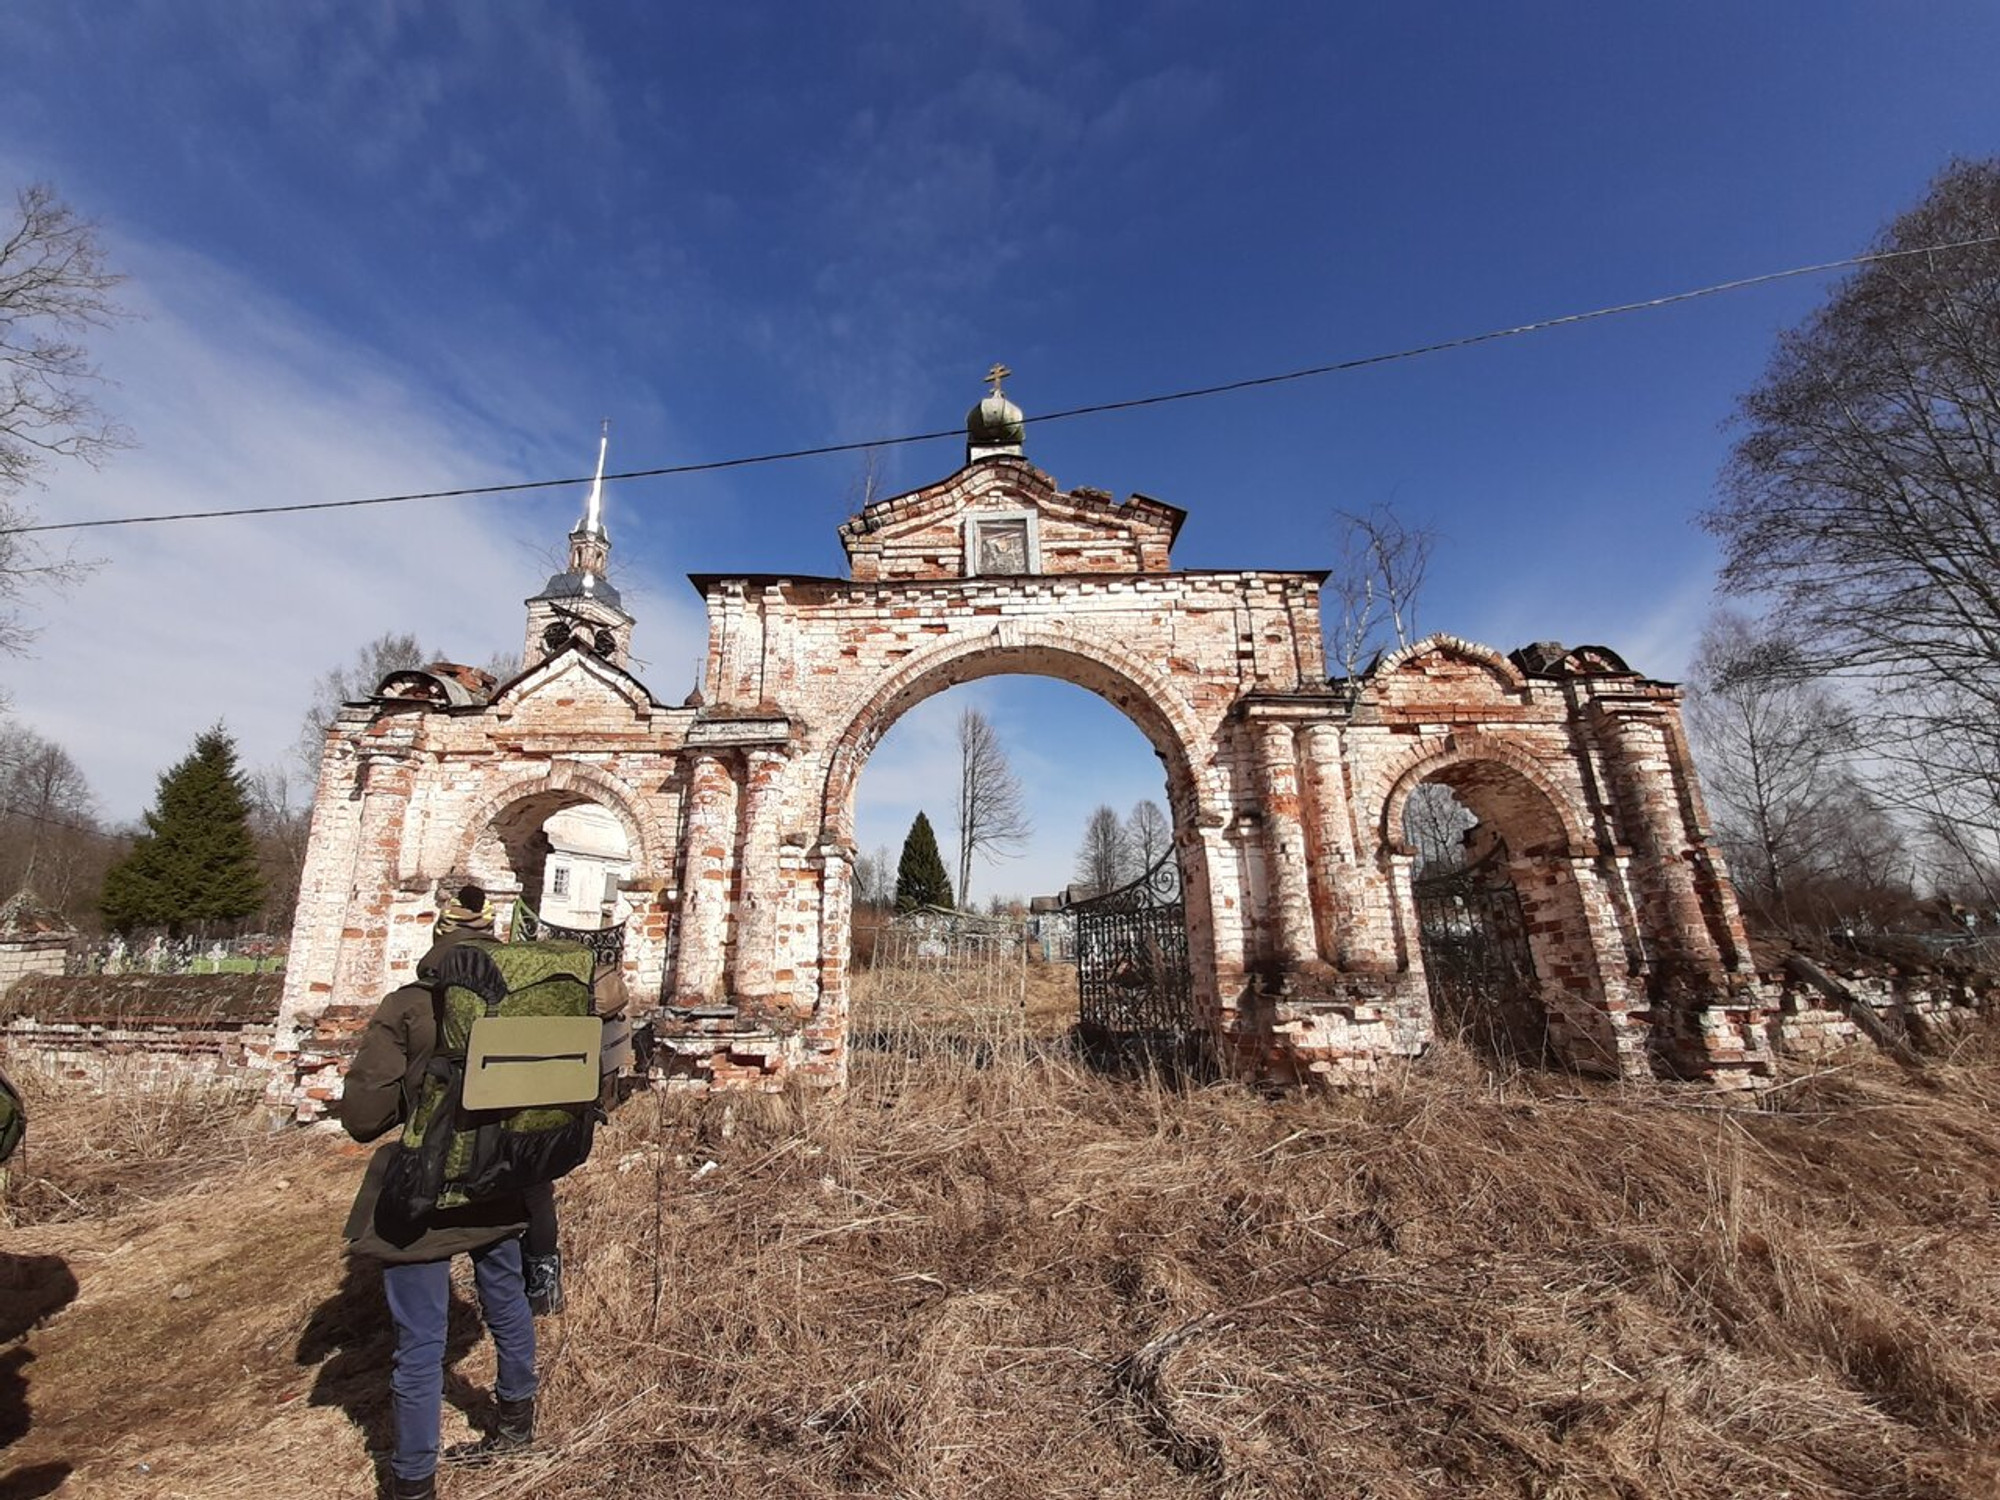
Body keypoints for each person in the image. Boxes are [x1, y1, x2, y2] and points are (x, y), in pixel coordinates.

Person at [339, 887, 538, 1500]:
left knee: (421, 1342)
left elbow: (363, 1117)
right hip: (504, 1179)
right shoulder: (527, 1005)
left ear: (437, 939)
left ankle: (414, 1480)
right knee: (507, 1302)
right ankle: (515, 1426)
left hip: (423, 1192)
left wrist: (416, 1095)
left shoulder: (409, 1007)